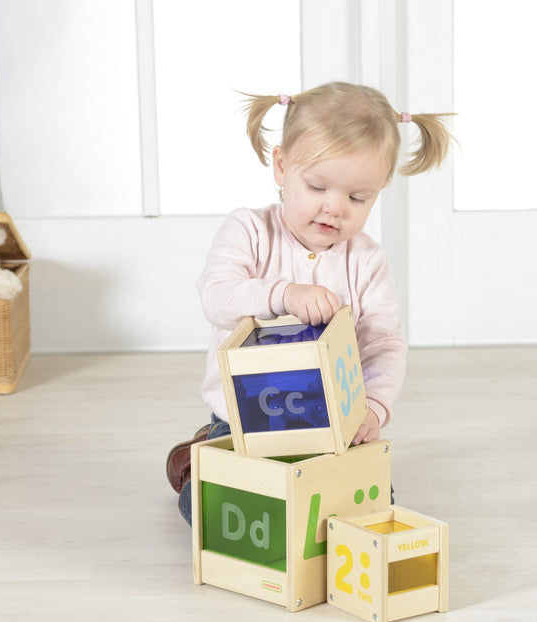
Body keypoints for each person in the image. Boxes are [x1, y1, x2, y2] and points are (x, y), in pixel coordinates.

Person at [166, 81, 453, 524]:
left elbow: (384, 343)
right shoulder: (248, 230)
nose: (334, 209)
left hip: (330, 423)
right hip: (244, 421)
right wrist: (281, 294)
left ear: (381, 188)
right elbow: (216, 296)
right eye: (317, 186)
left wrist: (373, 407)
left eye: (358, 197)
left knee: (373, 507)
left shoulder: (366, 259)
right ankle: (197, 459)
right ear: (281, 166)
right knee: (212, 513)